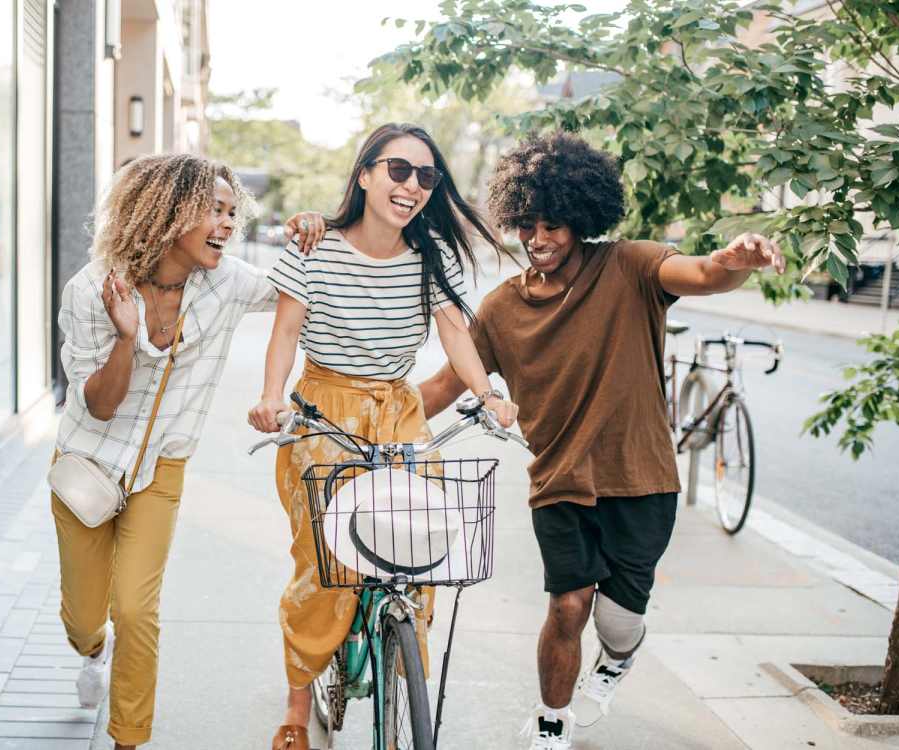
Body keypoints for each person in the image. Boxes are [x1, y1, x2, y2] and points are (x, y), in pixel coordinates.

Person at [416, 132, 785, 750]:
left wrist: (733, 260)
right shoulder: (503, 310)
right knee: (568, 606)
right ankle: (551, 720)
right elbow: (447, 382)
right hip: (559, 480)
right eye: (527, 225)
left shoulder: (631, 266)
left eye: (554, 225)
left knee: (616, 622)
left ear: (583, 219)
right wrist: (373, 417)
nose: (539, 239)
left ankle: (616, 659)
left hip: (641, 478)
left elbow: (701, 272)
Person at [248, 122, 520, 750]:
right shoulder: (314, 247)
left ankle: (403, 681)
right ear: (366, 173)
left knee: (416, 551)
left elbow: (455, 333)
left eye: (427, 176)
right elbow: (285, 333)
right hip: (324, 411)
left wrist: (487, 395)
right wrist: (270, 398)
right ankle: (297, 703)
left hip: (399, 413)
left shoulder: (433, 256)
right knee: (326, 565)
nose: (413, 185)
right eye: (399, 170)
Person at [53, 154, 278, 749]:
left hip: (160, 469)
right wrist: (126, 336)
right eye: (215, 211)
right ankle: (90, 651)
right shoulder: (92, 288)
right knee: (84, 618)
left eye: (233, 214)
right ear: (168, 209)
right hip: (87, 464)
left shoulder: (225, 282)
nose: (229, 226)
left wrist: (319, 228)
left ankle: (128, 739)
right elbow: (99, 406)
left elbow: (295, 288)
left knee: (134, 609)